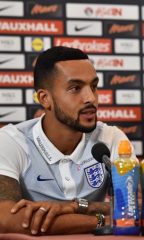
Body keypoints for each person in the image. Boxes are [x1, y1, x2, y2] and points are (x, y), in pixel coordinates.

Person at [0, 46, 135, 235]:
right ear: (45, 98)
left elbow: (136, 208)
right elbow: (6, 219)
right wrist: (102, 220)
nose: (91, 98)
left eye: (94, 86)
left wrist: (75, 206)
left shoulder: (111, 138)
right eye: (75, 88)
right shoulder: (12, 141)